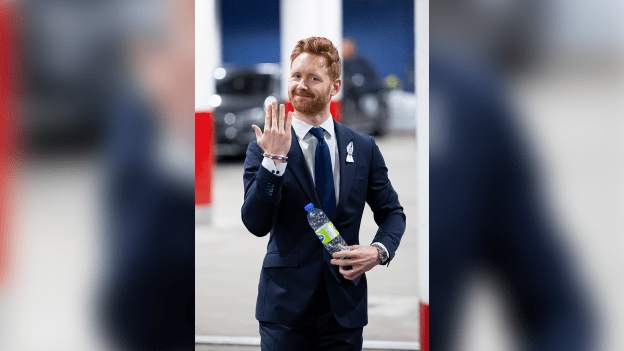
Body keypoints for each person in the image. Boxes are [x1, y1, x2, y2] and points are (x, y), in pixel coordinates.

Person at [241, 37, 406, 350]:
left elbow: (392, 213)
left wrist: (378, 251)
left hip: (344, 310)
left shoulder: (364, 148)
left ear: (335, 86)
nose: (301, 85)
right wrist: (273, 162)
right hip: (284, 312)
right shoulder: (263, 148)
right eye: (296, 76)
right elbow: (256, 223)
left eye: (313, 78)